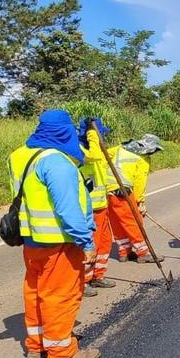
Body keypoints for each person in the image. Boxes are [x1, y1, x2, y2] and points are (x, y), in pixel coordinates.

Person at [8, 110, 101, 358]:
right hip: (60, 240)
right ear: (65, 131)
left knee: (36, 293)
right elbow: (67, 208)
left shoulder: (19, 156)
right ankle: (61, 353)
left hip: (31, 240)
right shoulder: (57, 162)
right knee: (61, 295)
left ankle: (37, 346)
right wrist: (86, 242)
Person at [106, 134, 163, 263]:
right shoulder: (143, 158)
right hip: (123, 190)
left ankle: (124, 252)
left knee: (117, 222)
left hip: (107, 189)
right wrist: (140, 202)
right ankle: (142, 252)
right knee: (134, 221)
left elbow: (104, 156)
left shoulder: (121, 148)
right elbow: (139, 182)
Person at [78, 117, 116, 297]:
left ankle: (98, 276)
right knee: (90, 246)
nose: (103, 139)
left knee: (105, 243)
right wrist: (93, 134)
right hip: (89, 209)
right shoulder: (80, 150)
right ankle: (83, 282)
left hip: (102, 205)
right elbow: (92, 157)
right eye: (101, 135)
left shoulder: (99, 150)